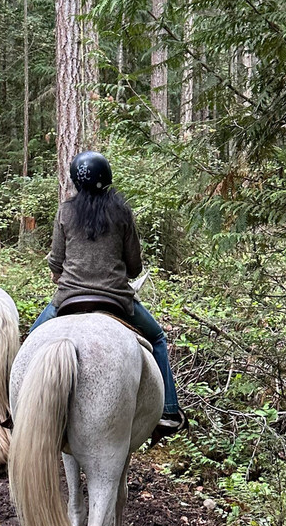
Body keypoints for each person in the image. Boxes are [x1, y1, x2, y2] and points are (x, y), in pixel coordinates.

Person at [30, 150, 185, 439]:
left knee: (31, 339)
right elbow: (135, 267)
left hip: (69, 297)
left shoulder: (65, 211)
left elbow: (56, 261)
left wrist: (59, 274)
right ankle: (168, 411)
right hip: (116, 299)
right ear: (107, 178)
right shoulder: (122, 211)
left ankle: (16, 410)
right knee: (158, 338)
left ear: (76, 181)